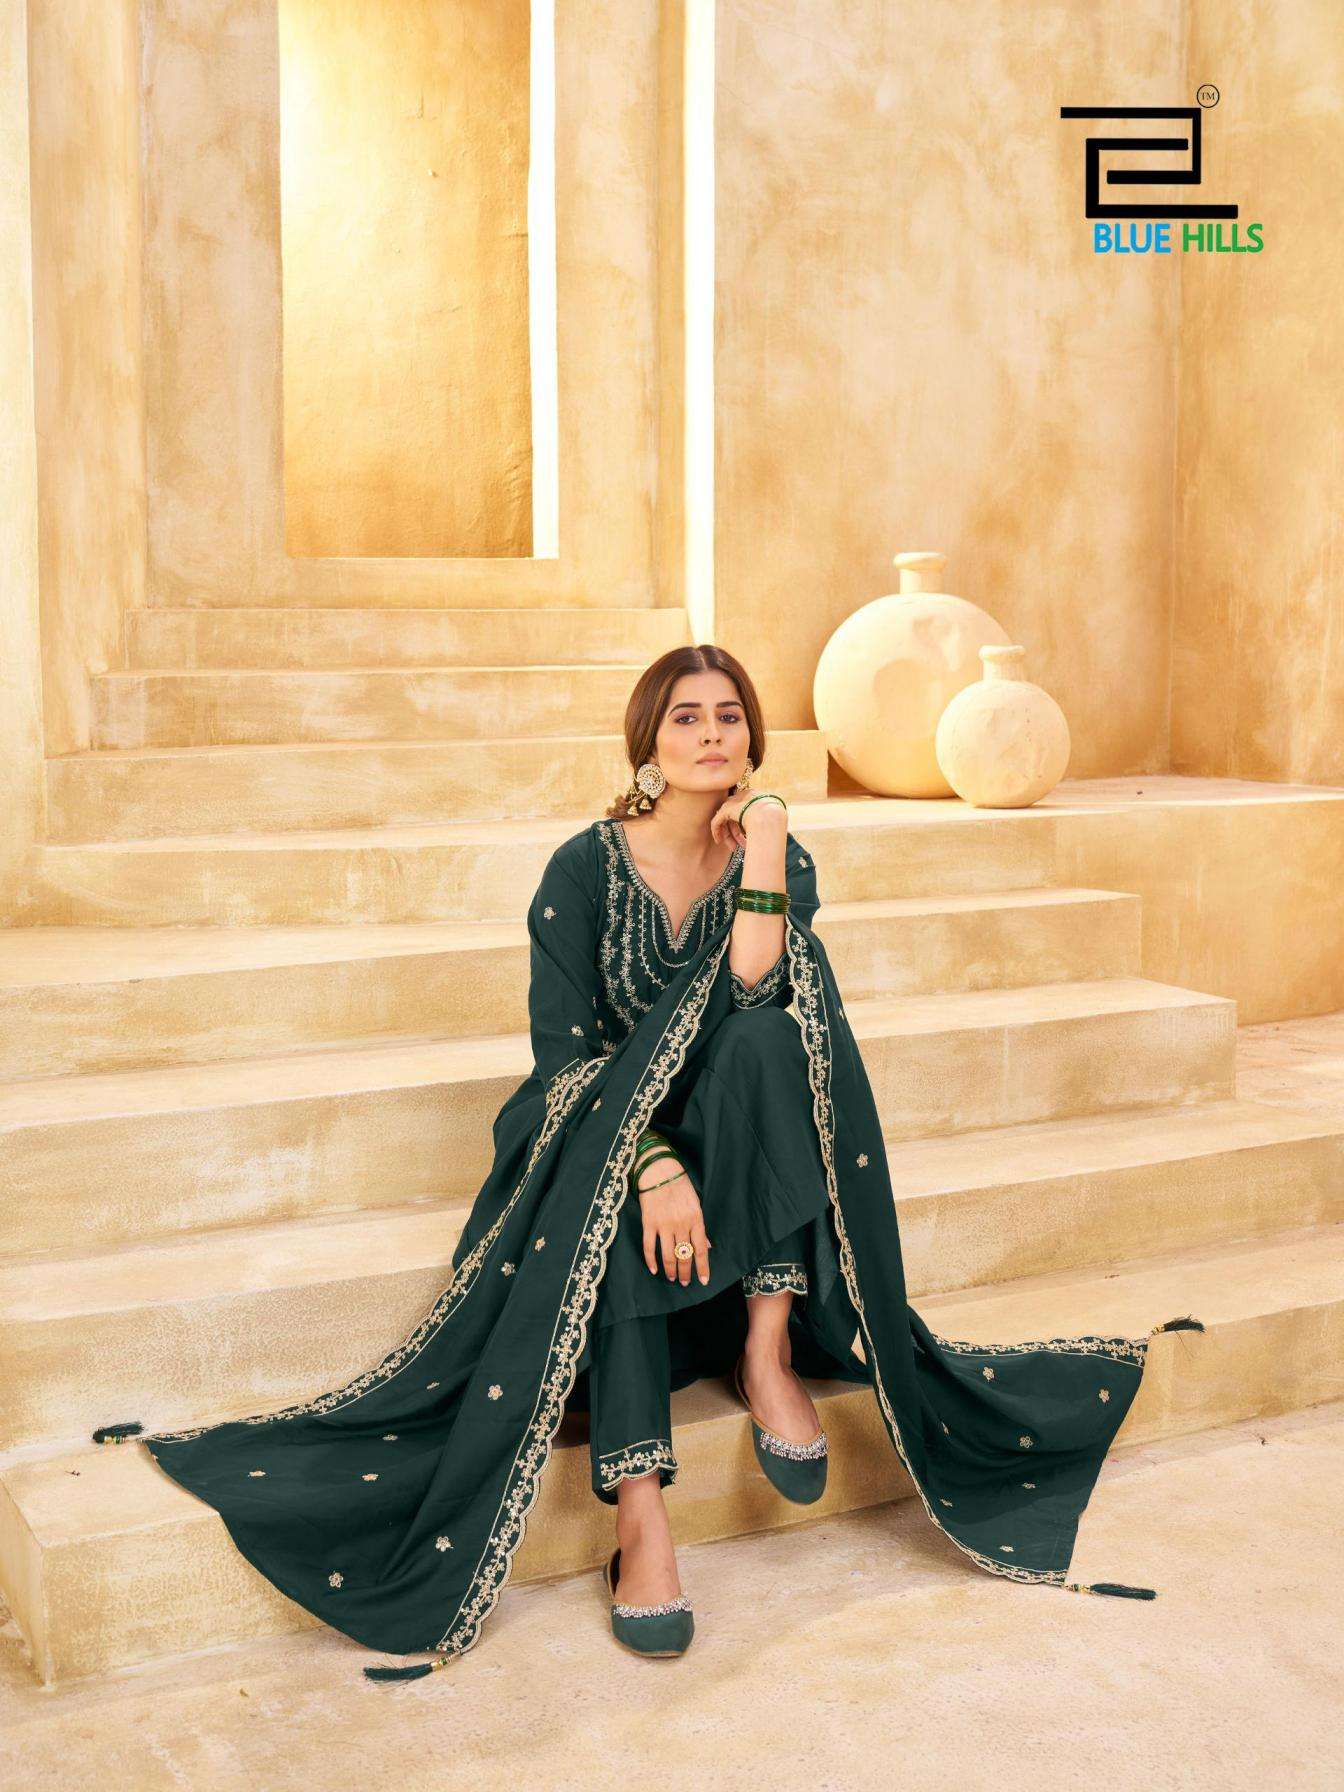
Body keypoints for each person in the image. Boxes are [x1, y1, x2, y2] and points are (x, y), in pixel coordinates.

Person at [91, 644, 1203, 1680]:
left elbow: (760, 985)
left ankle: (766, 1345)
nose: (711, 734)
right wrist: (652, 1161)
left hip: (745, 1157)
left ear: (752, 739)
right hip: (602, 1146)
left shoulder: (774, 853)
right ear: (647, 740)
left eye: (731, 718)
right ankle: (639, 1509)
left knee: (768, 1039)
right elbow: (566, 1060)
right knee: (609, 1183)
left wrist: (766, 836)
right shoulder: (581, 870)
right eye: (686, 718)